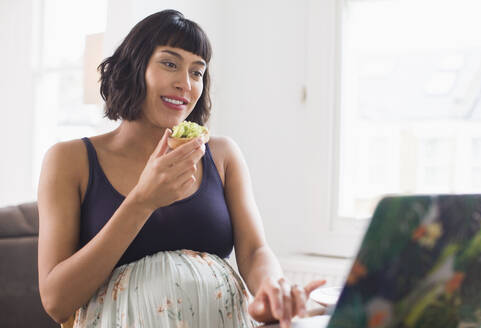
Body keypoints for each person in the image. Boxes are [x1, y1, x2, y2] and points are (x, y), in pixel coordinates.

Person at [37, 9, 325, 328]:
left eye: (197, 72)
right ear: (134, 67)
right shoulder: (69, 159)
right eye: (170, 63)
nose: (185, 84)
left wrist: (273, 286)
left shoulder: (222, 154)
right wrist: (142, 201)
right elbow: (55, 300)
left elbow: (255, 250)